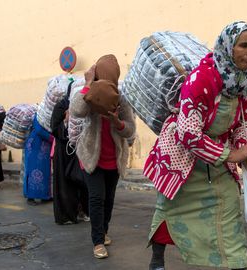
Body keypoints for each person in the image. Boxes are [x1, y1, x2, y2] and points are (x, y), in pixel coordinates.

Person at [143, 21, 247, 270]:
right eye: (244, 45)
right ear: (229, 47)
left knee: (229, 210)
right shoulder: (202, 78)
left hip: (218, 160)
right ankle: (157, 260)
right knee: (169, 210)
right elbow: (188, 134)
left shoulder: (246, 82)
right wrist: (231, 153)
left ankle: (237, 263)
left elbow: (244, 123)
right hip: (182, 157)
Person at [70, 54, 136, 259]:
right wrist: (88, 83)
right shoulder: (91, 95)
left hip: (113, 160)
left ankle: (103, 231)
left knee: (108, 200)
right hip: (92, 157)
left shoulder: (121, 99)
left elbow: (131, 131)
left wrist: (118, 123)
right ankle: (98, 241)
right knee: (97, 198)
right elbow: (76, 110)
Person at [51, 80, 89, 225]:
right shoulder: (60, 106)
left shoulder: (82, 104)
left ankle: (83, 211)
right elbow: (54, 128)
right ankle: (67, 215)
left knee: (82, 182)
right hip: (63, 152)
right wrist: (66, 121)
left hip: (79, 150)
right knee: (65, 184)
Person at [23, 114, 53, 204]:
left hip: (44, 147)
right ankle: (30, 197)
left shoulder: (48, 114)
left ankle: (44, 196)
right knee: (32, 170)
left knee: (45, 170)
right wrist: (52, 138)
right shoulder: (38, 115)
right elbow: (39, 129)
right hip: (34, 146)